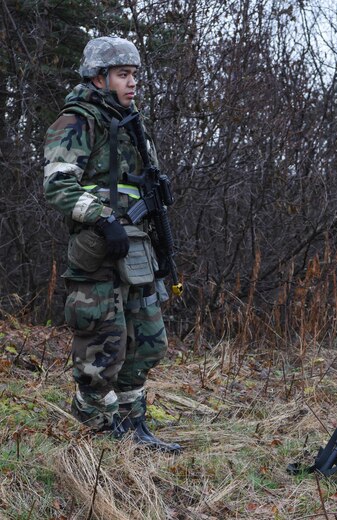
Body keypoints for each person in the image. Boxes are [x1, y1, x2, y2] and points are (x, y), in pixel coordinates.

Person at [43, 36, 180, 452]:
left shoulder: (131, 123)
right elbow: (57, 185)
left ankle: (132, 424)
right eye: (123, 74)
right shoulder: (76, 121)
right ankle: (93, 418)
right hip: (98, 249)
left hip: (137, 247)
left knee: (150, 341)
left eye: (135, 74)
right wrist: (102, 218)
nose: (132, 83)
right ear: (99, 78)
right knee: (102, 346)